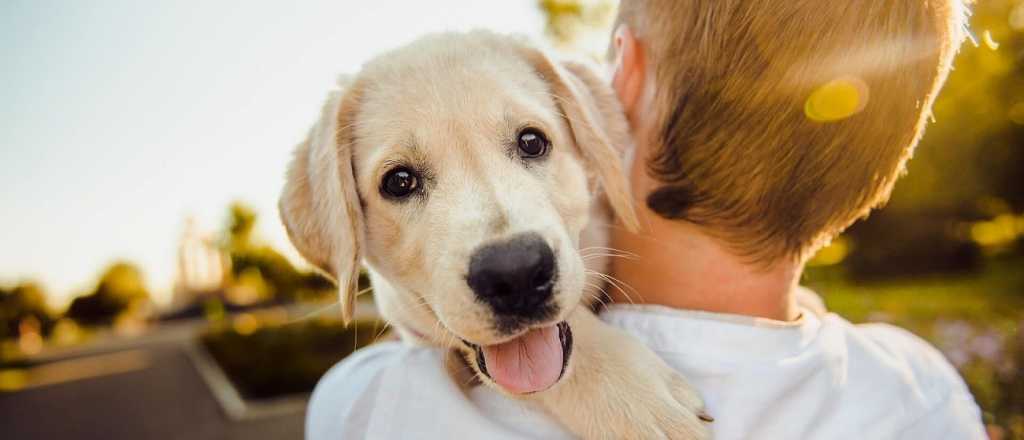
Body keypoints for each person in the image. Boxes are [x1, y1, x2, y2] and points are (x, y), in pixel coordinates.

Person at [306, 0, 987, 438]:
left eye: (531, 143)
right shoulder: (921, 393)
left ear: (621, 78)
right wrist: (580, 361)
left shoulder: (367, 408)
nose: (507, 248)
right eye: (403, 181)